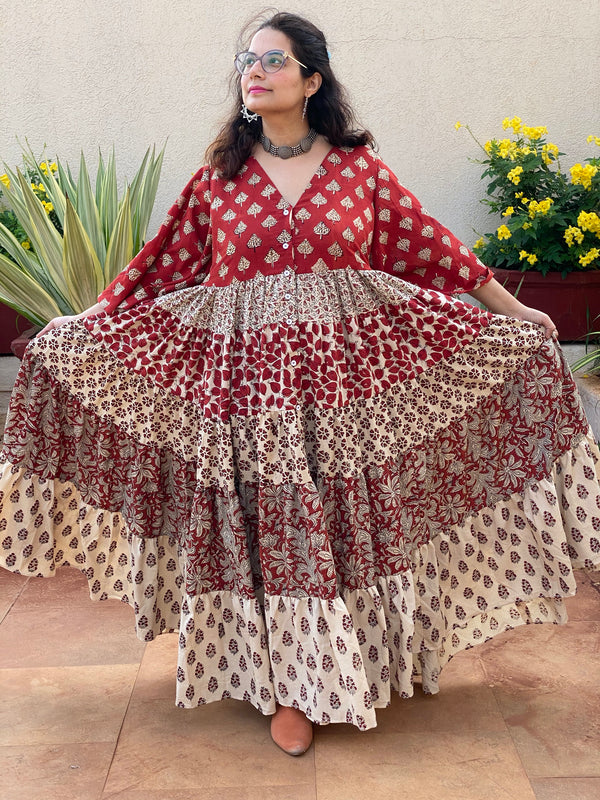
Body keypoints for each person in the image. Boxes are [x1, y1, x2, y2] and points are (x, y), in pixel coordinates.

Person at [1, 11, 599, 758]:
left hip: (344, 386)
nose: (253, 71)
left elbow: (435, 248)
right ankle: (287, 686)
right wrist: (86, 320)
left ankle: (345, 662)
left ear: (312, 80)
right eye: (246, 60)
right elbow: (159, 264)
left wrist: (515, 313)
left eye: (273, 60)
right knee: (270, 524)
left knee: (342, 520)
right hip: (247, 392)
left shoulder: (360, 171)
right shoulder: (219, 177)